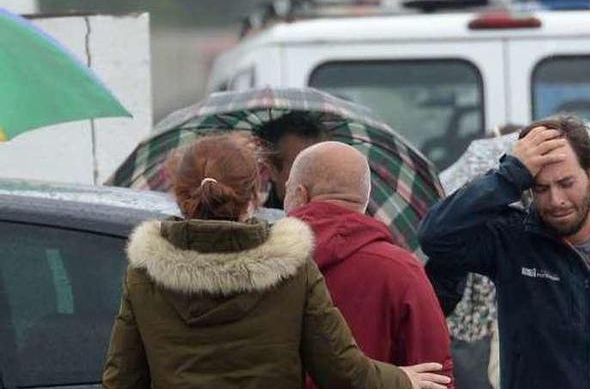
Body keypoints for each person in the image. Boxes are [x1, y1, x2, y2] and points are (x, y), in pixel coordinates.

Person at [102, 135, 450, 389]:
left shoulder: (145, 273)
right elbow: (342, 371)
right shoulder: (291, 268)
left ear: (179, 195)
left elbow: (122, 378)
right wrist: (403, 379)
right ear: (253, 197)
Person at [419, 115, 590, 389]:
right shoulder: (512, 238)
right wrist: (509, 174)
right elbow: (435, 236)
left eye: (566, 183)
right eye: (541, 188)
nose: (556, 200)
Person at [284, 141, 455, 389]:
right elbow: (436, 375)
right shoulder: (400, 270)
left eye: (287, 190)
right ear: (364, 199)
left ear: (301, 194)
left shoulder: (265, 264)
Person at [254, 111, 327, 209]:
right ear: (272, 169)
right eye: (304, 168)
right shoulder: (253, 220)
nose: (316, 179)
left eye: (323, 166)